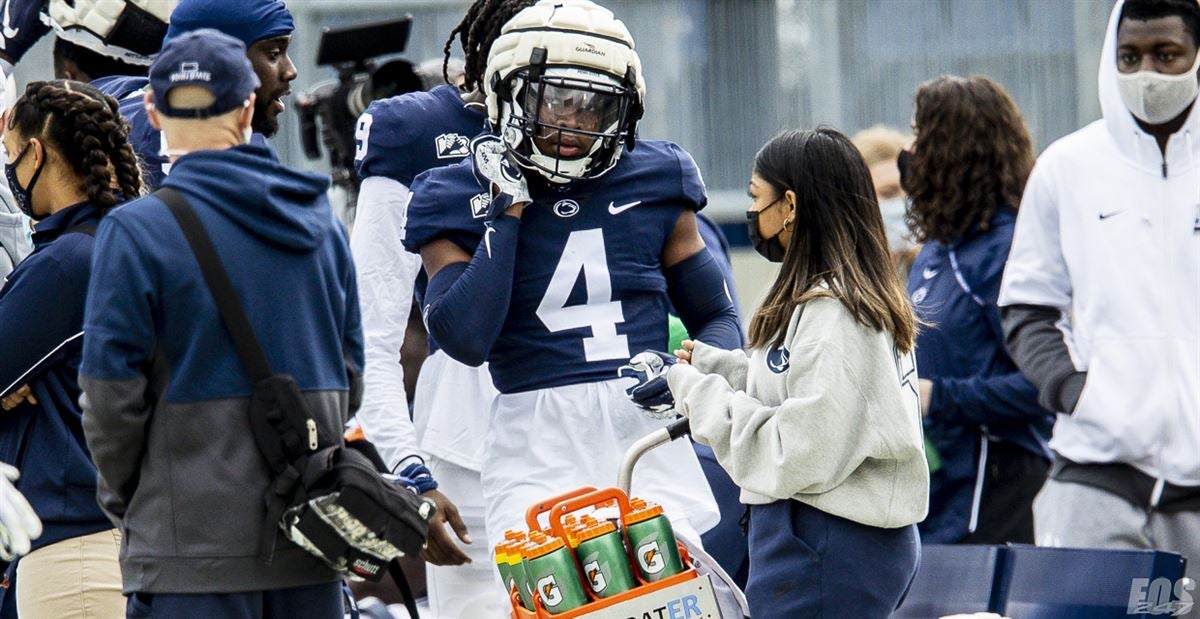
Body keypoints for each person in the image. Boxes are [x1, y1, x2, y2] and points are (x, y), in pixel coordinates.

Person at [404, 0, 736, 577]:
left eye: (594, 105)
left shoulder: (659, 176)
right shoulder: (451, 191)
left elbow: (720, 318)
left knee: (668, 600)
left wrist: (689, 375)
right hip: (532, 435)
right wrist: (505, 214)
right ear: (509, 91)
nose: (573, 122)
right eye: (555, 97)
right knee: (552, 601)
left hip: (642, 424)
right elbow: (465, 338)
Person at [78, 30, 361, 618]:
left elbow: (110, 406)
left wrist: (142, 508)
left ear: (152, 113)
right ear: (249, 106)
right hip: (309, 556)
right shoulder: (319, 221)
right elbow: (351, 374)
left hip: (188, 566)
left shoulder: (134, 232)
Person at [623, 128, 928, 618]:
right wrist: (708, 366)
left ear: (789, 205)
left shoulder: (837, 316)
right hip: (829, 540)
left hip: (826, 544)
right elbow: (791, 382)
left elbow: (799, 448)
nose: (751, 214)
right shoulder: (837, 299)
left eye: (755, 198)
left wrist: (699, 396)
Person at [999, 0, 1200, 602]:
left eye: (1167, 56)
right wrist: (1075, 390)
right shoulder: (1068, 167)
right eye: (1130, 56)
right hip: (1095, 477)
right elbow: (1027, 308)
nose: (1147, 74)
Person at [350, 1, 534, 615]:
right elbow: (366, 337)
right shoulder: (421, 134)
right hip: (468, 451)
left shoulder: (603, 131)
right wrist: (411, 475)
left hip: (595, 440)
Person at [0, 78, 144, 619]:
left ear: (36, 153)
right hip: (126, 542)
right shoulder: (133, 246)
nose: (10, 173)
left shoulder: (67, 264)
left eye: (11, 157)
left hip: (75, 558)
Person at [902, 75, 1054, 545]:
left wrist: (936, 397)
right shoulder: (936, 249)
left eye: (919, 136)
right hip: (938, 488)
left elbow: (1040, 385)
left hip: (997, 484)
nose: (910, 151)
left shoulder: (1007, 249)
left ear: (953, 150)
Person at [97, 0, 297, 190]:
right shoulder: (167, 140)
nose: (291, 71)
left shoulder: (116, 94)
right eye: (274, 53)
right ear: (224, 59)